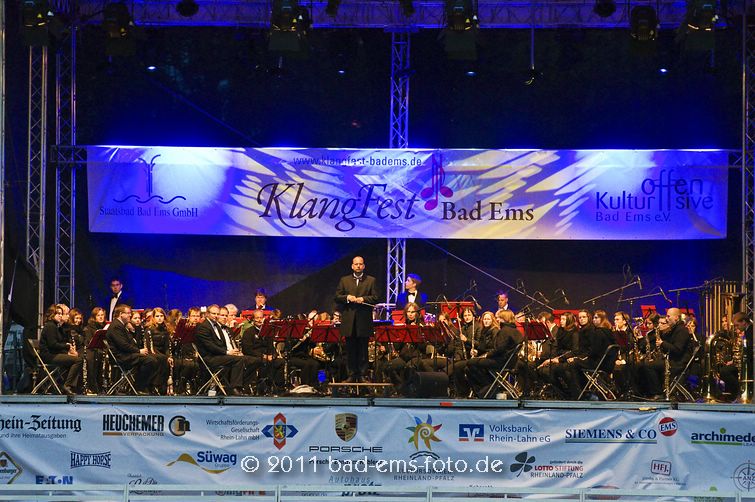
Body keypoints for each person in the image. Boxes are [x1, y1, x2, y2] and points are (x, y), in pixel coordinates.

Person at [334, 256, 379, 383]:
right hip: (349, 320)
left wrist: (363, 299)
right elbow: (337, 297)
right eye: (356, 264)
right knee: (350, 349)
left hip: (364, 320)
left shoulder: (371, 280)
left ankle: (363, 374)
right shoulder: (344, 280)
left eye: (360, 264)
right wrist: (347, 297)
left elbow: (376, 297)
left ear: (363, 266)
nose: (358, 266)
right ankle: (351, 374)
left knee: (363, 349)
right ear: (352, 266)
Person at [194, 304, 245, 395]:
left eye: (217, 314)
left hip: (218, 356)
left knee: (245, 359)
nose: (216, 316)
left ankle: (239, 387)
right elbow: (210, 346)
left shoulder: (216, 326)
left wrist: (234, 351)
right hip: (209, 358)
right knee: (238, 360)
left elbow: (221, 343)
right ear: (207, 314)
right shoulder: (203, 327)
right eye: (213, 313)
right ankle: (234, 388)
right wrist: (227, 352)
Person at [105, 304, 157, 395]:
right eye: (128, 313)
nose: (130, 315)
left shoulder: (122, 325)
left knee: (155, 359)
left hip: (126, 354)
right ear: (121, 314)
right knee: (150, 360)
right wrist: (139, 351)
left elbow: (131, 343)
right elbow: (123, 345)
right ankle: (138, 387)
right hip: (122, 357)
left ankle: (143, 387)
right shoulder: (116, 326)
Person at [39, 304, 82, 395]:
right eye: (58, 313)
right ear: (52, 314)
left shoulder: (56, 326)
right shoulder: (50, 326)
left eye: (61, 314)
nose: (60, 316)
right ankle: (67, 385)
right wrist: (67, 346)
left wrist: (68, 351)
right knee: (78, 360)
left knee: (74, 359)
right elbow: (52, 345)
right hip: (49, 356)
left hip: (53, 354)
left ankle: (64, 385)